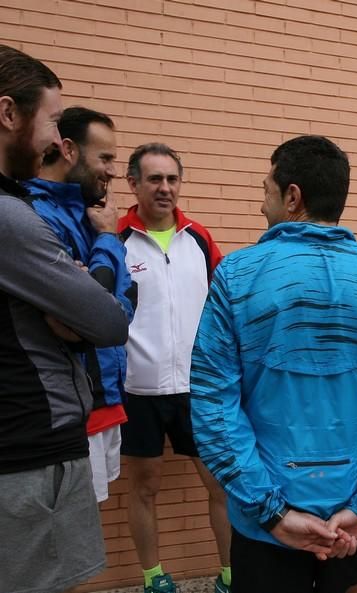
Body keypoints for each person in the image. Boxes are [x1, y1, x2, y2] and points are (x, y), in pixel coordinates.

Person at [190, 135, 357, 593]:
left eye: (266, 191)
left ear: (293, 196)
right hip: (352, 517)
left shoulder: (237, 274)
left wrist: (273, 514)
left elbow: (212, 403)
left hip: (266, 522)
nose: (263, 205)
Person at [0, 44, 129, 593]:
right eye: (53, 121)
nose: (58, 139)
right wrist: (105, 249)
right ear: (9, 114)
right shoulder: (17, 218)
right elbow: (108, 319)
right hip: (30, 444)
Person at [118, 143, 230, 593]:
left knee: (220, 486)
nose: (165, 188)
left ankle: (230, 574)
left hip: (195, 390)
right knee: (145, 488)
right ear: (134, 184)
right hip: (136, 390)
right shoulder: (114, 240)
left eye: (172, 179)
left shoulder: (198, 239)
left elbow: (224, 306)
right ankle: (153, 578)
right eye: (154, 179)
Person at [24, 106, 136, 504]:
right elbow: (85, 313)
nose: (112, 172)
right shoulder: (37, 216)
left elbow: (123, 302)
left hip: (105, 394)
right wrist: (108, 240)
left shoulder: (90, 213)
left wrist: (100, 290)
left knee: (88, 520)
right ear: (68, 150)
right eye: (104, 158)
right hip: (68, 406)